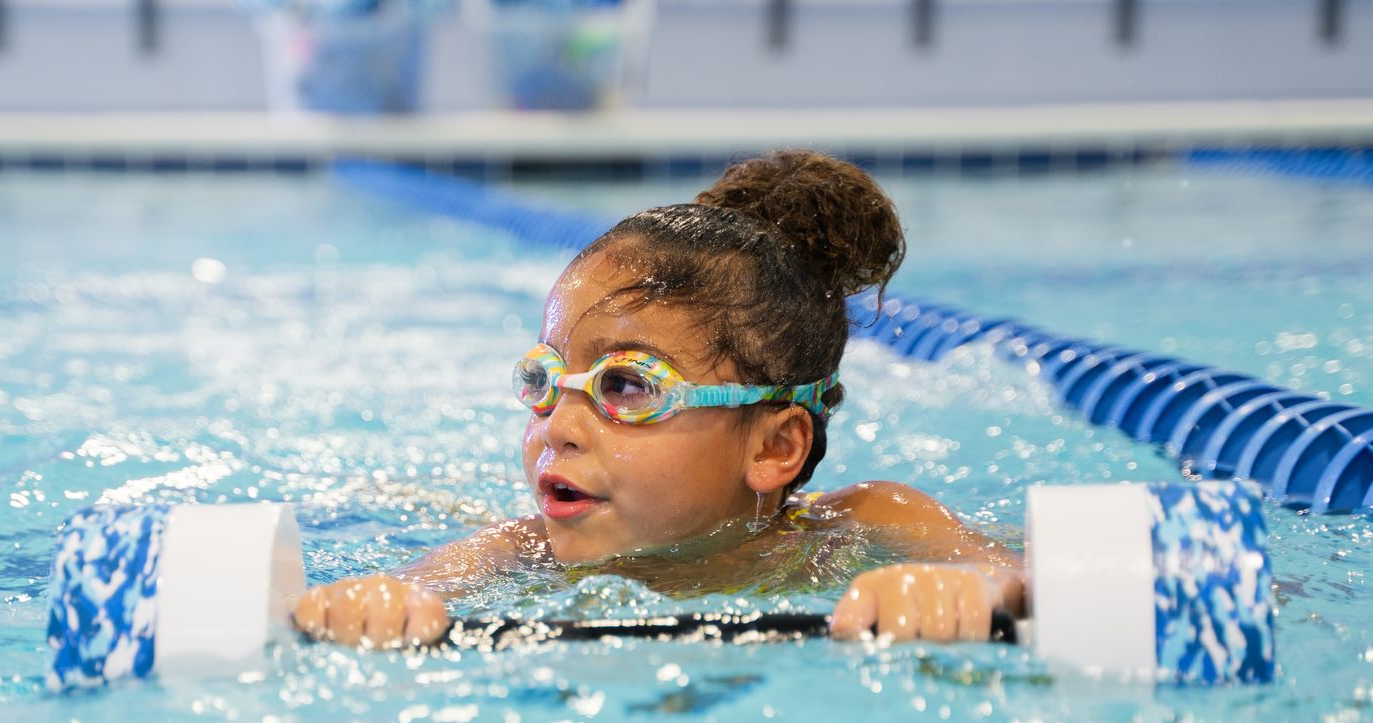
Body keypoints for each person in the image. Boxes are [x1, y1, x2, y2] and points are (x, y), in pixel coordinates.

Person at [293, 149, 1026, 650]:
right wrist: (378, 602)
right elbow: (405, 586)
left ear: (775, 446)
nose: (559, 428)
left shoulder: (864, 521)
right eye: (546, 383)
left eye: (626, 386)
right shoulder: (520, 551)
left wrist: (959, 590)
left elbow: (1009, 574)